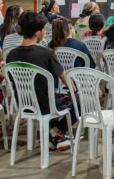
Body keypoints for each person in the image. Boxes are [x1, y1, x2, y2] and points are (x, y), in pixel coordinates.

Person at [6, 12, 77, 150]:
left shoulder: (11, 55)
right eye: (44, 30)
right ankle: (56, 132)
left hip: (23, 103)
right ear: (37, 33)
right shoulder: (47, 54)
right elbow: (67, 82)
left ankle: (55, 135)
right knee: (80, 99)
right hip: (46, 105)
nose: (45, 33)